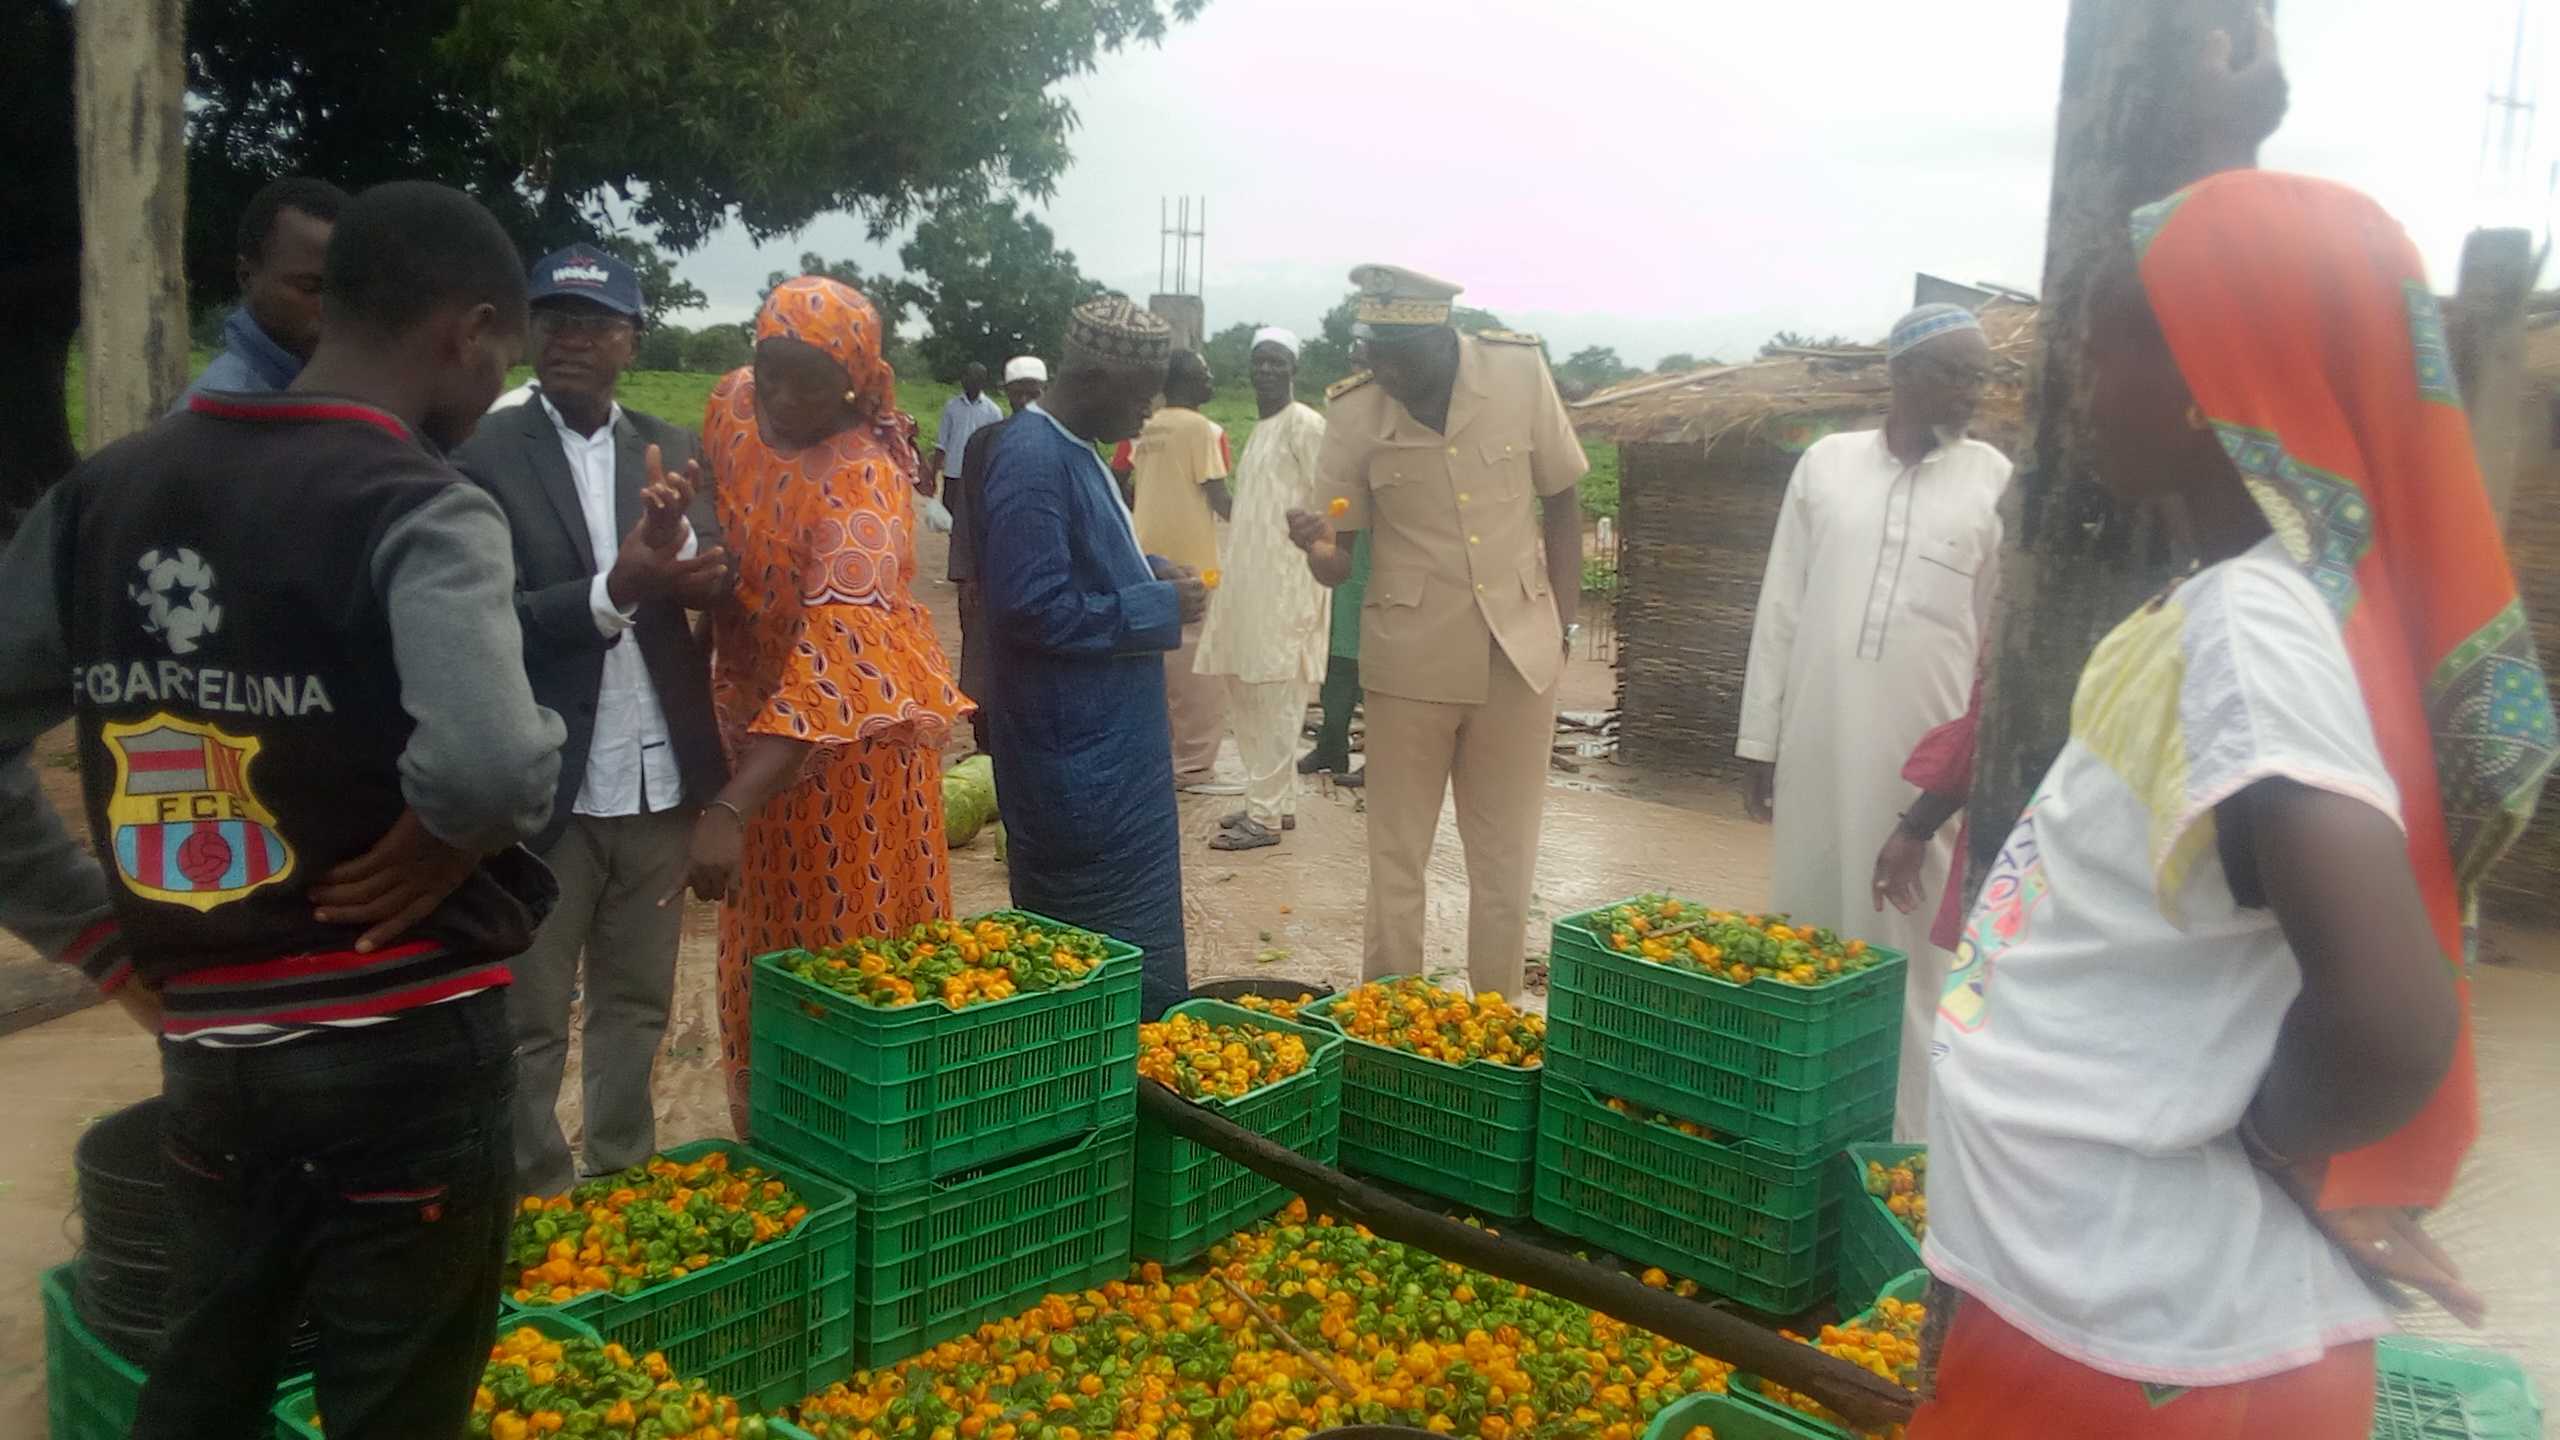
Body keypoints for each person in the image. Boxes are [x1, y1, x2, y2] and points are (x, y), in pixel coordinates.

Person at [1914, 170, 2545, 1438]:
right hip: (2099, 1306)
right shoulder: (2239, 601)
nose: (2084, 370)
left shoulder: (2256, 634)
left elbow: (2387, 1017)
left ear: (2221, 372)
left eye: (2116, 337)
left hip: (2151, 1342)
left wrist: (2269, 1143)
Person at [1, 180, 565, 1439]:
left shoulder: (106, 493)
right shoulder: (417, 501)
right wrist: (454, 823)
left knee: (206, 1376)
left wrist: (94, 933)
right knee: (392, 1404)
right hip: (404, 1044)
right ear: (467, 331)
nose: (493, 394)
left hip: (209, 1054)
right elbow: (486, 768)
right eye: (505, 357)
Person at [455, 242, 733, 1200]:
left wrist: (699, 568)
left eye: (593, 324)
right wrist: (618, 586)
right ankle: (535, 1197)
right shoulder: (480, 458)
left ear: (631, 340)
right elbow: (486, 622)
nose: (569, 340)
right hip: (550, 788)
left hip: (656, 779)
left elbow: (715, 563)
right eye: (554, 321)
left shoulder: (666, 449)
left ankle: (620, 1182)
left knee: (636, 1000)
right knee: (530, 1015)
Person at [671, 276, 969, 1133]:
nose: (782, 398)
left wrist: (729, 806)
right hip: (750, 746)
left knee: (848, 964)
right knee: (760, 952)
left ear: (855, 382)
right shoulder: (731, 403)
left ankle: (866, 1147)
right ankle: (771, 1136)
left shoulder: (865, 485)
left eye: (810, 381)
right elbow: (707, 486)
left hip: (848, 773)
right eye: (772, 371)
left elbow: (831, 680)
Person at [1735, 302, 2010, 1139]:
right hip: (1817, 745)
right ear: (1901, 374)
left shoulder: (1994, 480)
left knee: (1914, 963)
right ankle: (1799, 1133)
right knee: (1811, 926)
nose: (1971, 391)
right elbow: (1782, 606)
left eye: (1979, 375)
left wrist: (1961, 780)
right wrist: (1760, 739)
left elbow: (1999, 646)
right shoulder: (1825, 465)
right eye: (1954, 372)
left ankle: (1905, 1154)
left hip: (1922, 768)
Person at [1285, 264, 1584, 997]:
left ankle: (1495, 1023)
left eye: (1398, 355)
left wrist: (1564, 623)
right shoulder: (1355, 413)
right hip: (1409, 667)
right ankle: (1393, 1028)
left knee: (1505, 863)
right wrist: (1317, 547)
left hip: (1517, 657)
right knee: (1396, 861)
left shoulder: (1517, 372)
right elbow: (1338, 562)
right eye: (1371, 353)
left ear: (1441, 336)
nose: (1381, 371)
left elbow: (1564, 499)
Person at [979, 297, 1206, 1017]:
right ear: (1100, 377)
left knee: (1133, 970)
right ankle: (1099, 1120)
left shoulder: (1074, 450)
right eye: (1142, 396)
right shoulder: (1031, 457)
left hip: (1111, 762)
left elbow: (1084, 560)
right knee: (1093, 981)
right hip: (1077, 777)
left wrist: (1148, 568)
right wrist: (1154, 607)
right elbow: (1029, 606)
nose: (1148, 413)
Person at [1193, 329, 1329, 850]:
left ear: (1294, 367)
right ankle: (1274, 800)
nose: (1267, 371)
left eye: (1277, 362)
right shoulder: (1264, 429)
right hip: (1251, 585)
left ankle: (1265, 817)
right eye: (1260, 362)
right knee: (1249, 688)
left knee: (1276, 693)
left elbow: (1329, 504)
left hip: (1287, 586)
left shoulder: (1305, 425)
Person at [1123, 349, 1237, 792]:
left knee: (1161, 666)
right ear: (1188, 381)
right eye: (1206, 375)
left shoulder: (1147, 427)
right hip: (1193, 563)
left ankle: (1165, 756)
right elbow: (1218, 495)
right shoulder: (1200, 429)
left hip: (1148, 556)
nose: (1211, 382)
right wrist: (1261, 525)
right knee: (1200, 672)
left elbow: (1129, 486)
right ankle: (1194, 767)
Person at [177, 175, 348, 408]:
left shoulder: (346, 390)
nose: (331, 306)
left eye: (345, 287)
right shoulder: (221, 413)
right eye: (309, 287)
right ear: (246, 276)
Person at [949, 356, 1047, 756]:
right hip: (988, 571)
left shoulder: (1058, 442)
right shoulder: (984, 441)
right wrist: (968, 573)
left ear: (1045, 392)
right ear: (1006, 393)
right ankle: (984, 742)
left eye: (1033, 392)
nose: (1024, 399)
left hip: (1039, 571)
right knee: (981, 658)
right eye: (1018, 391)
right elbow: (967, 511)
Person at [1299, 530, 1371, 788]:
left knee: (1373, 673)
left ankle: (1380, 761)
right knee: (1336, 661)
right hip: (1341, 564)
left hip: (1380, 564)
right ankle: (1331, 746)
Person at [925, 361, 1003, 498]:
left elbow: (995, 450)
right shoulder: (951, 406)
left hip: (977, 477)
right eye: (966, 377)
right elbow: (942, 443)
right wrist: (933, 475)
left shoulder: (993, 412)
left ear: (982, 382)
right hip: (952, 473)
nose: (968, 381)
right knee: (949, 516)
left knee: (972, 518)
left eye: (974, 378)